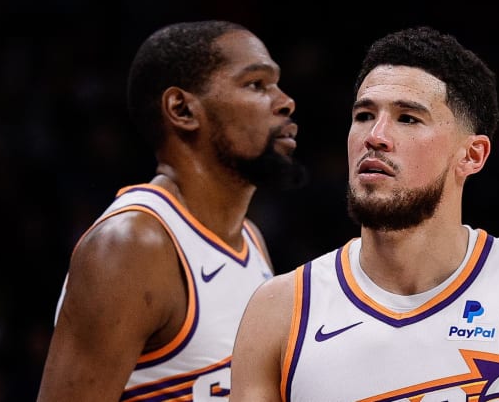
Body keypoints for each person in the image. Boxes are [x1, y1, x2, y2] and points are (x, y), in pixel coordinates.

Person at [229, 26, 499, 402]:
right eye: (364, 115)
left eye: (408, 118)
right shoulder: (279, 310)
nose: (375, 136)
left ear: (472, 155)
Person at [37, 20, 306, 401]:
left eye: (276, 84)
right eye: (256, 84)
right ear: (181, 109)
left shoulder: (249, 238)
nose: (284, 101)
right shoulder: (131, 246)